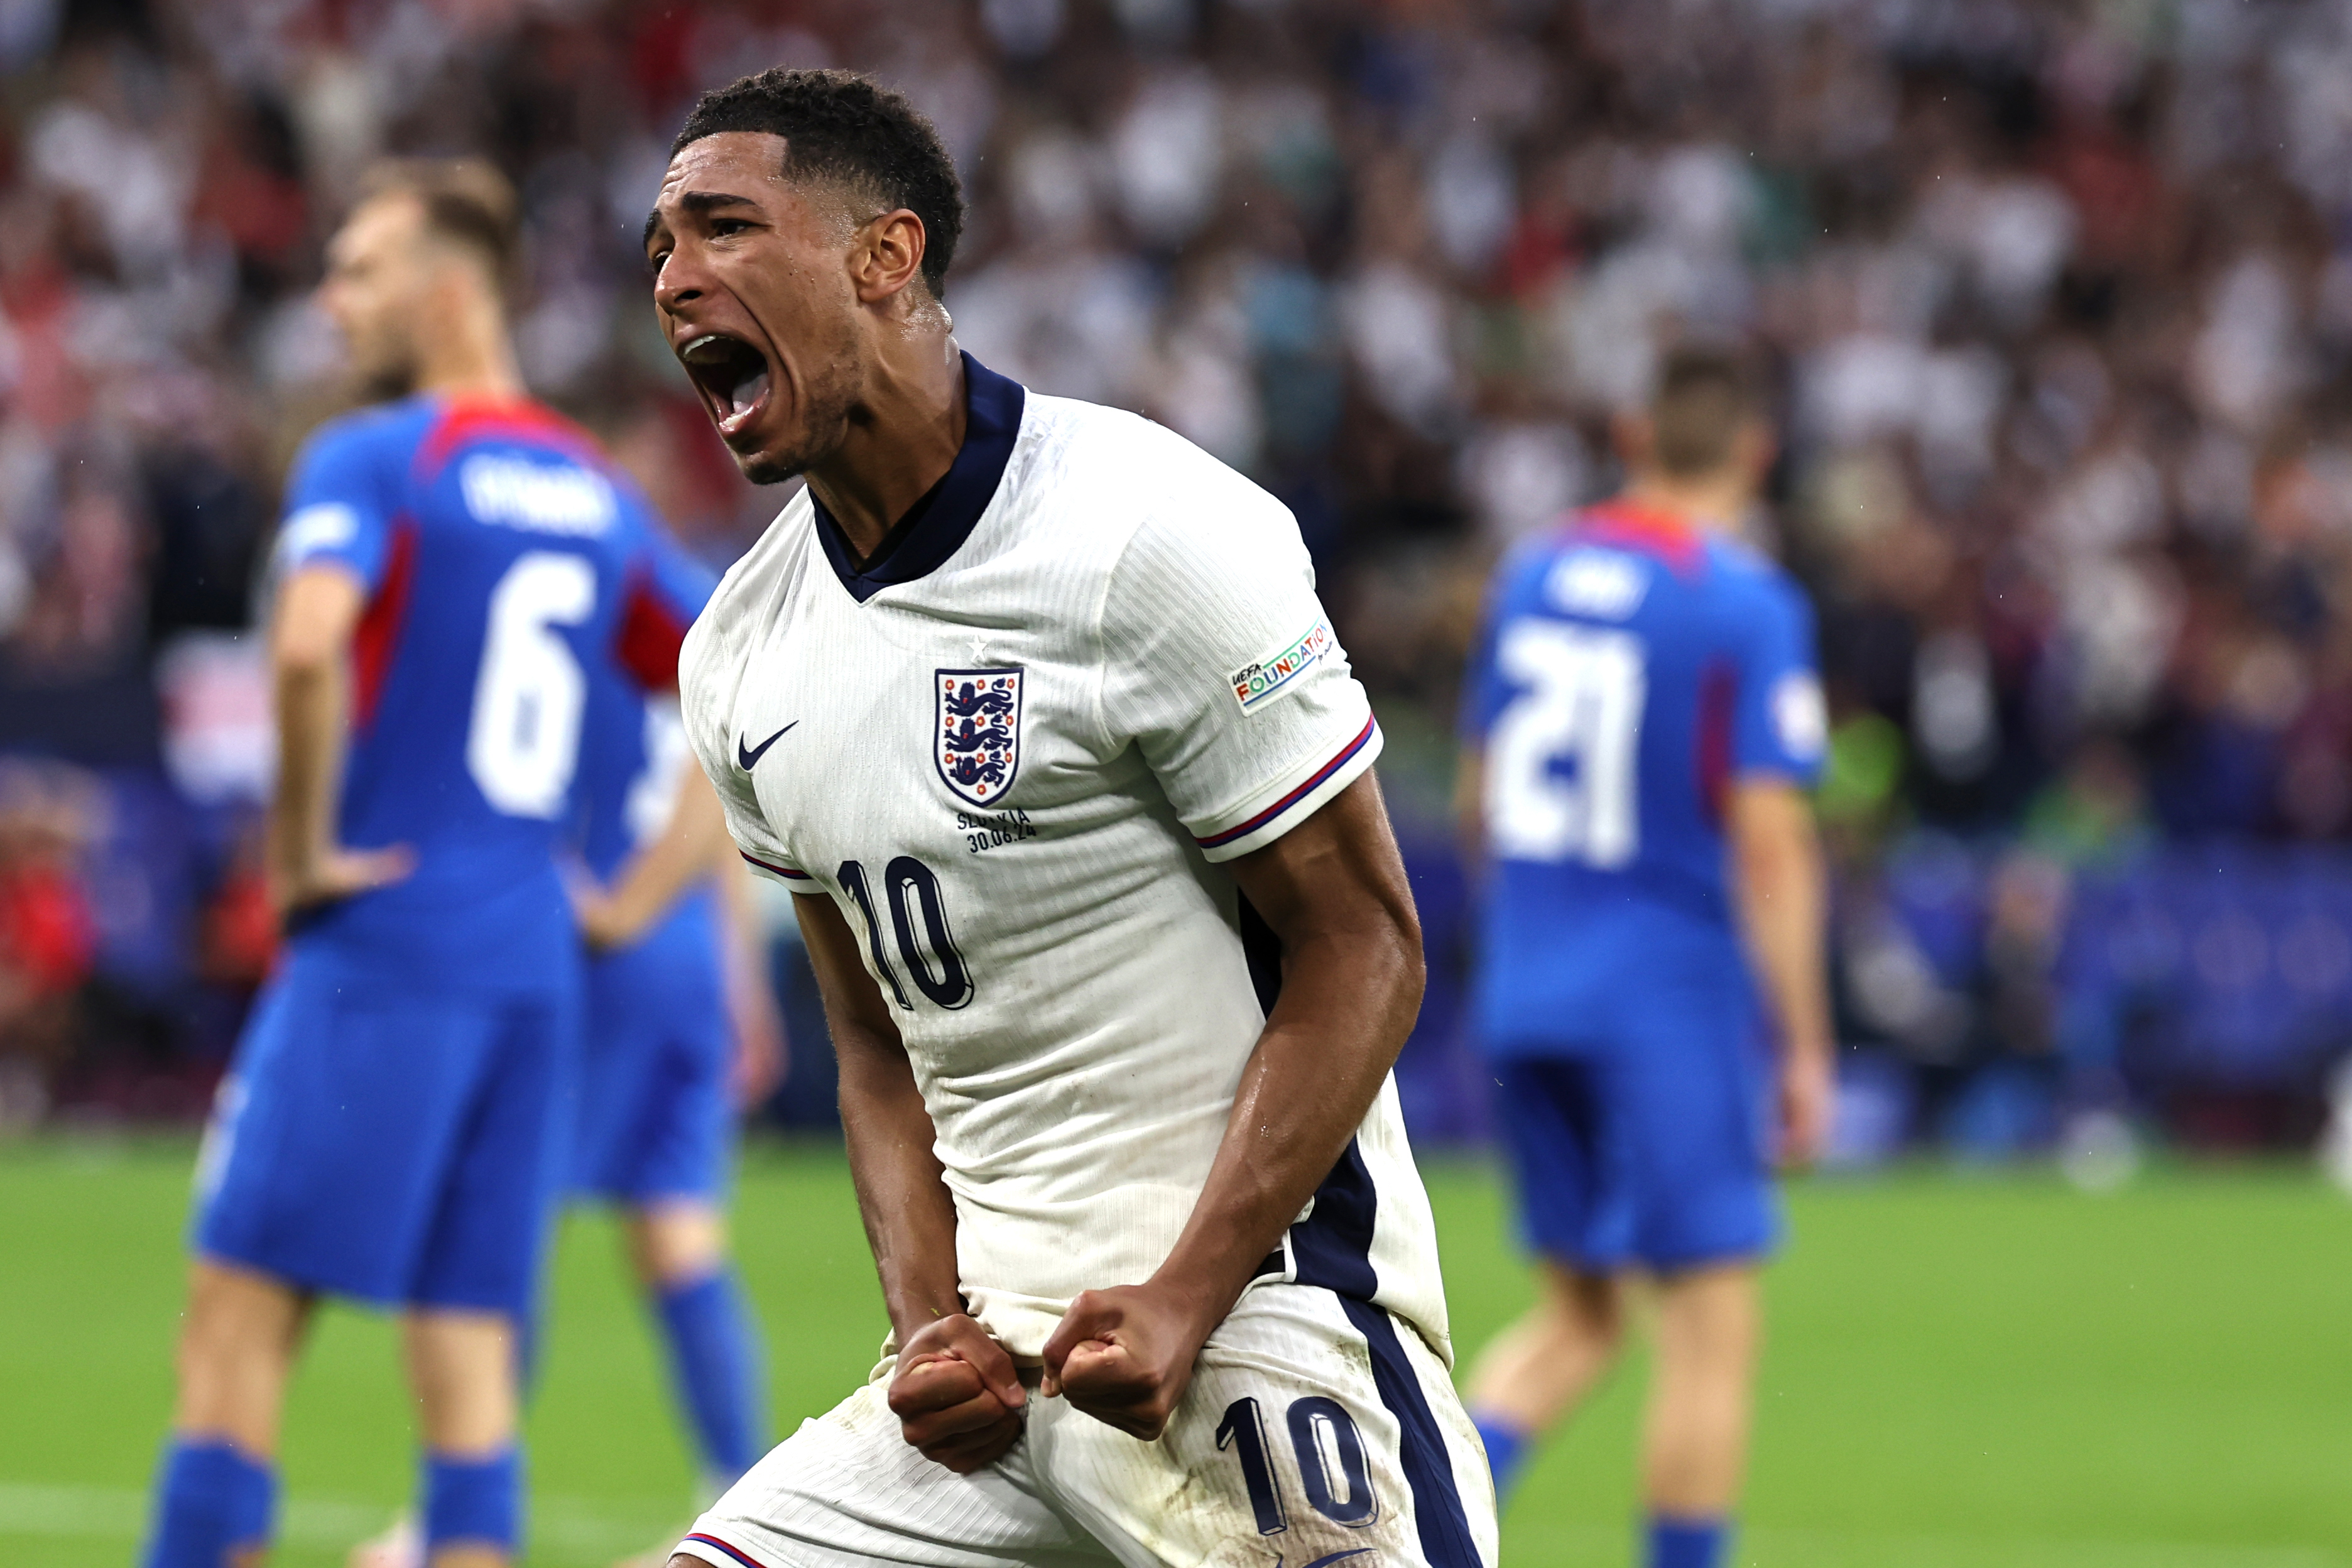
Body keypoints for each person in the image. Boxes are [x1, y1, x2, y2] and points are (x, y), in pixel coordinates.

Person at [643, 67, 1496, 1568]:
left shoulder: (1147, 532)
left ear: (884, 258)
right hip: (994, 1391)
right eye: (660, 247)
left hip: (1257, 1329)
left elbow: (1365, 943)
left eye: (724, 228)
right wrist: (925, 1330)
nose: (675, 278)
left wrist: (1187, 1292)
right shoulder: (740, 654)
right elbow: (871, 1042)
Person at [141, 158, 697, 1568]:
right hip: (534, 964)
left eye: (360, 270)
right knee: (467, 1378)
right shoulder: (596, 490)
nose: (330, 302)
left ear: (448, 290)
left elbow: (309, 644)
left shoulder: (380, 456)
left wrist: (302, 858)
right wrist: (628, 904)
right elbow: (748, 697)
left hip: (384, 942)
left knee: (235, 1332)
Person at [1453, 347, 1835, 1568]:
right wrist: (1807, 1046)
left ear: (1633, 434)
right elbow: (1771, 848)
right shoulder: (1745, 602)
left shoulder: (1536, 571)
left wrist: (1525, 934)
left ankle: (1398, 1544)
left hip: (1527, 983)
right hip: (1663, 995)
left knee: (1578, 1318)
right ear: (1756, 455)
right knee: (1709, 1336)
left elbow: (1476, 796)